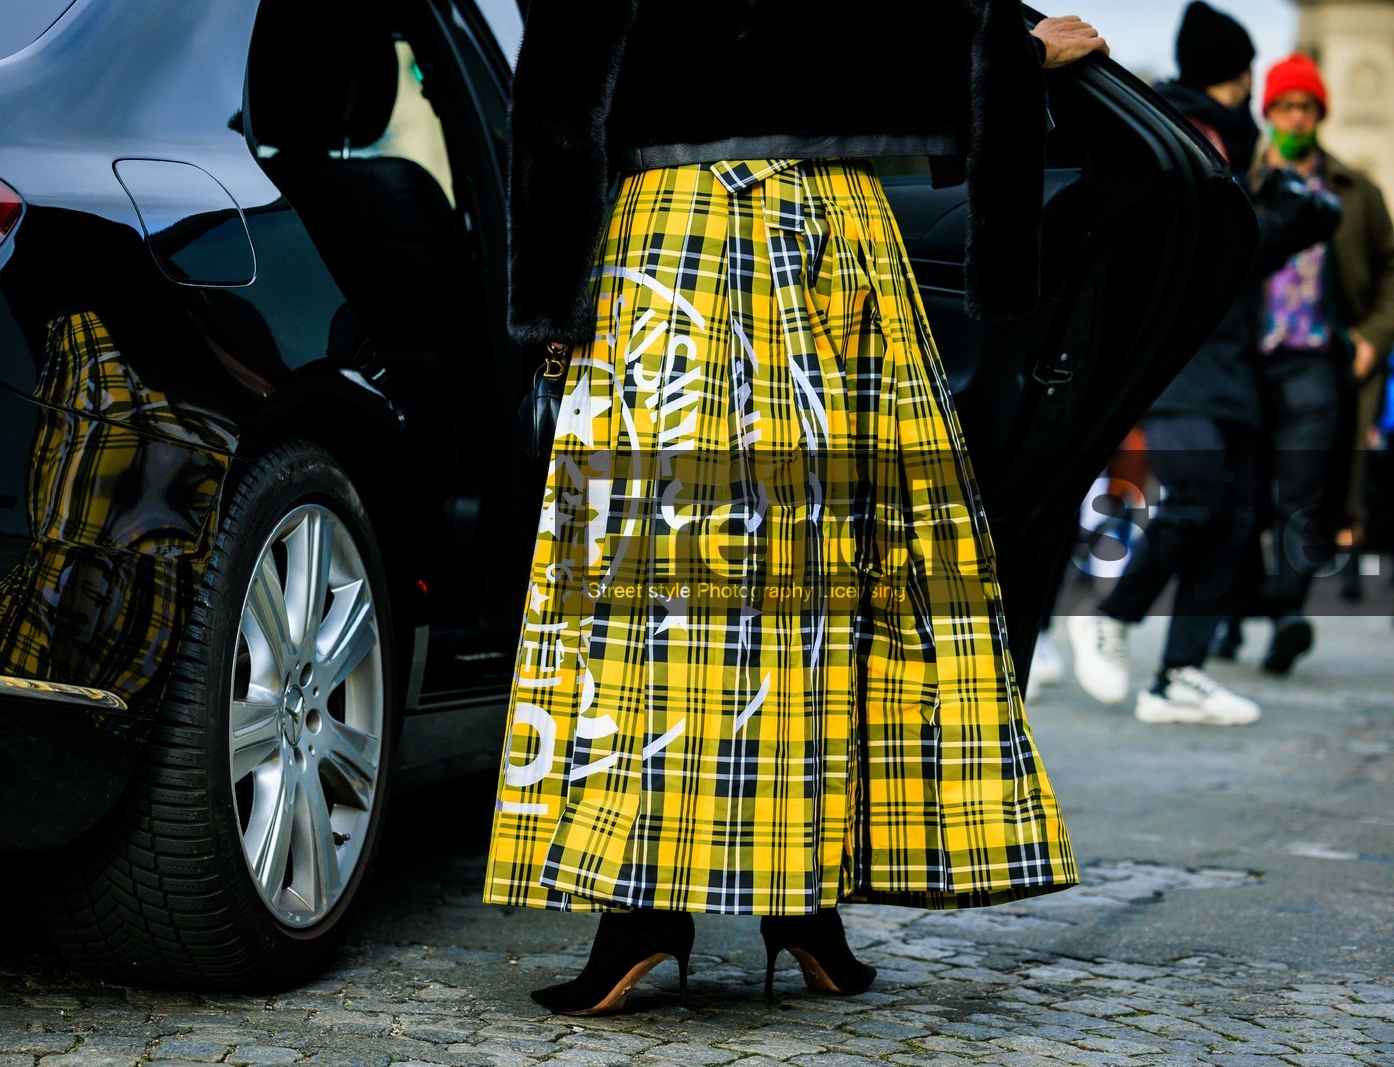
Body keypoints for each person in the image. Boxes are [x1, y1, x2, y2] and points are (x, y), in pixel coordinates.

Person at [484, 0, 1108, 1016]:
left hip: (670, 234)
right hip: (833, 229)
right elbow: (933, 32)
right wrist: (1016, 58)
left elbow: (563, 78)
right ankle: (805, 910)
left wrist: (549, 304)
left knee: (658, 573)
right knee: (839, 565)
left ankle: (642, 910)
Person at [1067, 1, 1340, 725]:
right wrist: (1284, 225)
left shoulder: (1223, 141)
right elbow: (1206, 248)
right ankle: (1110, 616)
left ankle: (1178, 676)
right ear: (1240, 73)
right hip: (1183, 355)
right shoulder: (1190, 132)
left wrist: (1284, 224)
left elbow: (1234, 257)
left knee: (1236, 513)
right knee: (1198, 497)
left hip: (1228, 356)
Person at [1213, 52, 1394, 669]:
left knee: (1303, 494)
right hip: (1247, 362)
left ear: (1320, 113)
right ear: (1270, 112)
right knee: (1242, 495)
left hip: (1318, 362)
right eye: (1286, 106)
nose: (1296, 117)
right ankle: (1232, 614)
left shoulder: (1356, 191)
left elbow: (1391, 270)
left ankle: (1286, 615)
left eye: (1306, 107)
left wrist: (1372, 337)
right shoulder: (1239, 181)